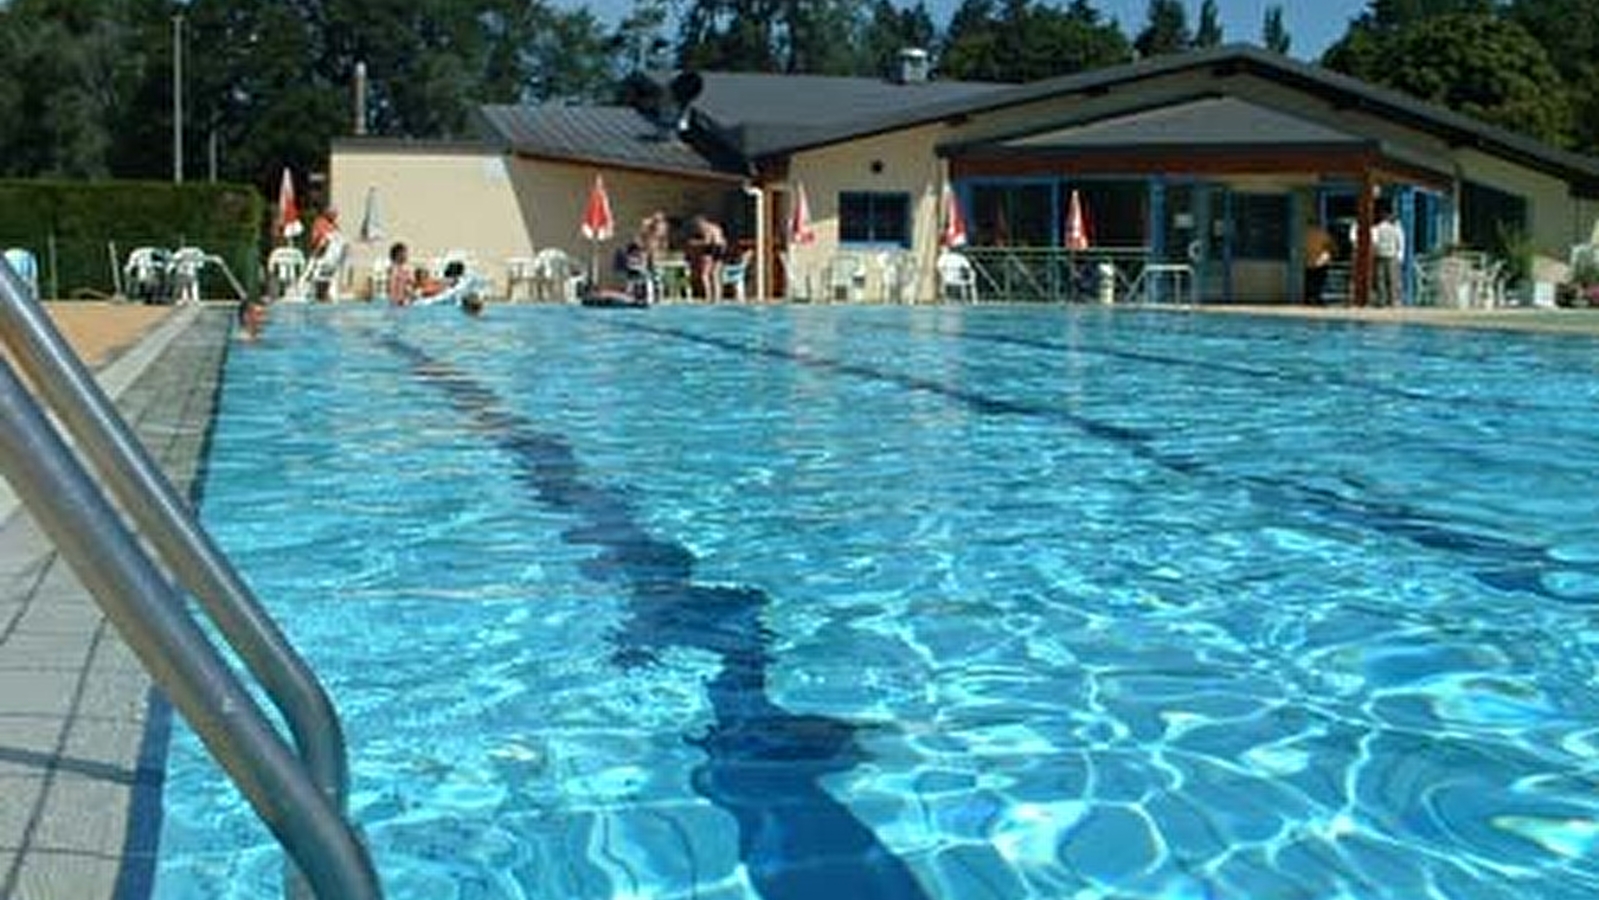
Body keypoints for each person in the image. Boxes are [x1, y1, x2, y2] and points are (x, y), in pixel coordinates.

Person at [685, 214, 727, 300]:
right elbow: (722, 241)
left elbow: (707, 242)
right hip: (720, 250)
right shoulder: (716, 227)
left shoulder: (706, 228)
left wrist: (694, 243)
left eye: (698, 225)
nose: (697, 228)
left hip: (711, 250)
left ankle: (708, 295)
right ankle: (718, 296)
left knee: (705, 275)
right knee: (715, 275)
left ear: (701, 222)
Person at [1372, 208, 1405, 306]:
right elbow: (1400, 242)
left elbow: (1375, 242)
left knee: (1380, 279)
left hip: (1380, 255)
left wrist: (1375, 253)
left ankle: (1382, 300)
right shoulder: (1395, 228)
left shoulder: (1377, 228)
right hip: (1392, 255)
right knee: (1392, 279)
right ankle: (1393, 301)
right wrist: (1400, 256)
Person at [1303, 220, 1336, 305]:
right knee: (1318, 282)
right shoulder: (1322, 233)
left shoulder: (1304, 234)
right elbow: (1330, 246)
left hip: (1309, 262)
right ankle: (1316, 297)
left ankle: (1310, 297)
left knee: (1310, 281)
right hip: (1319, 262)